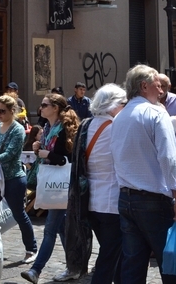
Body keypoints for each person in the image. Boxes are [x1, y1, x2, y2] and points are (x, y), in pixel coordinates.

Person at [111, 64, 176, 284]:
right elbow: (169, 158)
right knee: (173, 267)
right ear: (144, 86)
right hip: (153, 201)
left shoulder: (120, 117)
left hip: (126, 198)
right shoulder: (156, 113)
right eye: (158, 85)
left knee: (133, 267)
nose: (162, 90)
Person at [65, 84, 127, 284]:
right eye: (124, 103)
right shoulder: (116, 127)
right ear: (114, 105)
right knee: (109, 256)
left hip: (90, 201)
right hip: (110, 202)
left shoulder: (87, 125)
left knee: (113, 252)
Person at [21, 93, 80, 284]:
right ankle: (75, 266)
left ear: (55, 108)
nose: (41, 107)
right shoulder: (47, 127)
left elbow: (66, 160)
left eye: (45, 104)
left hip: (62, 184)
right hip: (51, 182)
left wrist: (48, 154)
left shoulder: (63, 130)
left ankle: (36, 270)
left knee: (50, 229)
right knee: (62, 228)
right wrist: (39, 149)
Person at [0, 94, 37, 263]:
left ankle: (31, 249)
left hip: (13, 178)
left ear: (12, 111)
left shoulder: (18, 129)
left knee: (18, 213)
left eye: (3, 111)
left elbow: (10, 154)